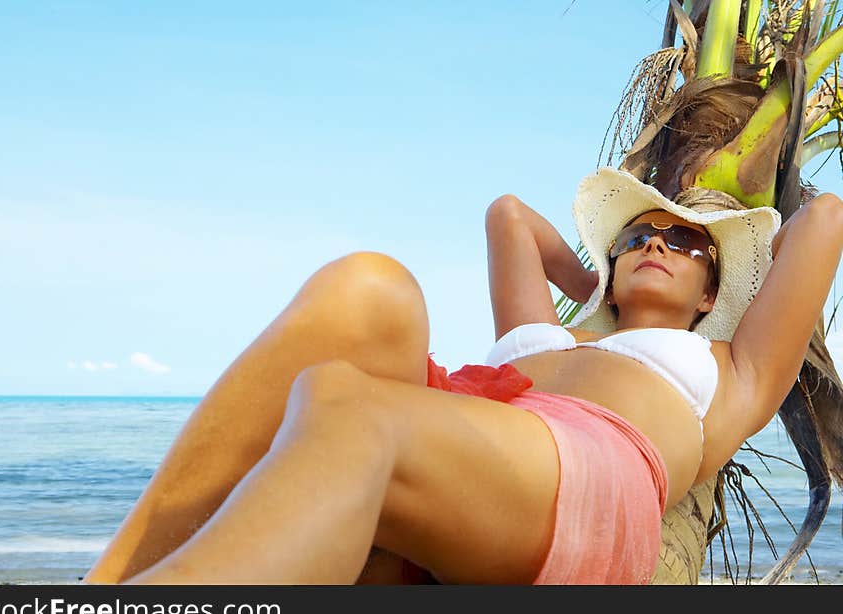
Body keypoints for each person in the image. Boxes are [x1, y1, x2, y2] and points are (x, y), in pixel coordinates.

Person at [83, 167, 843, 585]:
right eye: (639, 235)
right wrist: (594, 287)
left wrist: (739, 211)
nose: (657, 242)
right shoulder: (540, 333)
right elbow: (509, 215)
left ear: (712, 296)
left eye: (685, 244)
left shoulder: (725, 367)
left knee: (344, 404)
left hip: (581, 473)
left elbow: (825, 218)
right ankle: (108, 594)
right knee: (367, 287)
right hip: (464, 438)